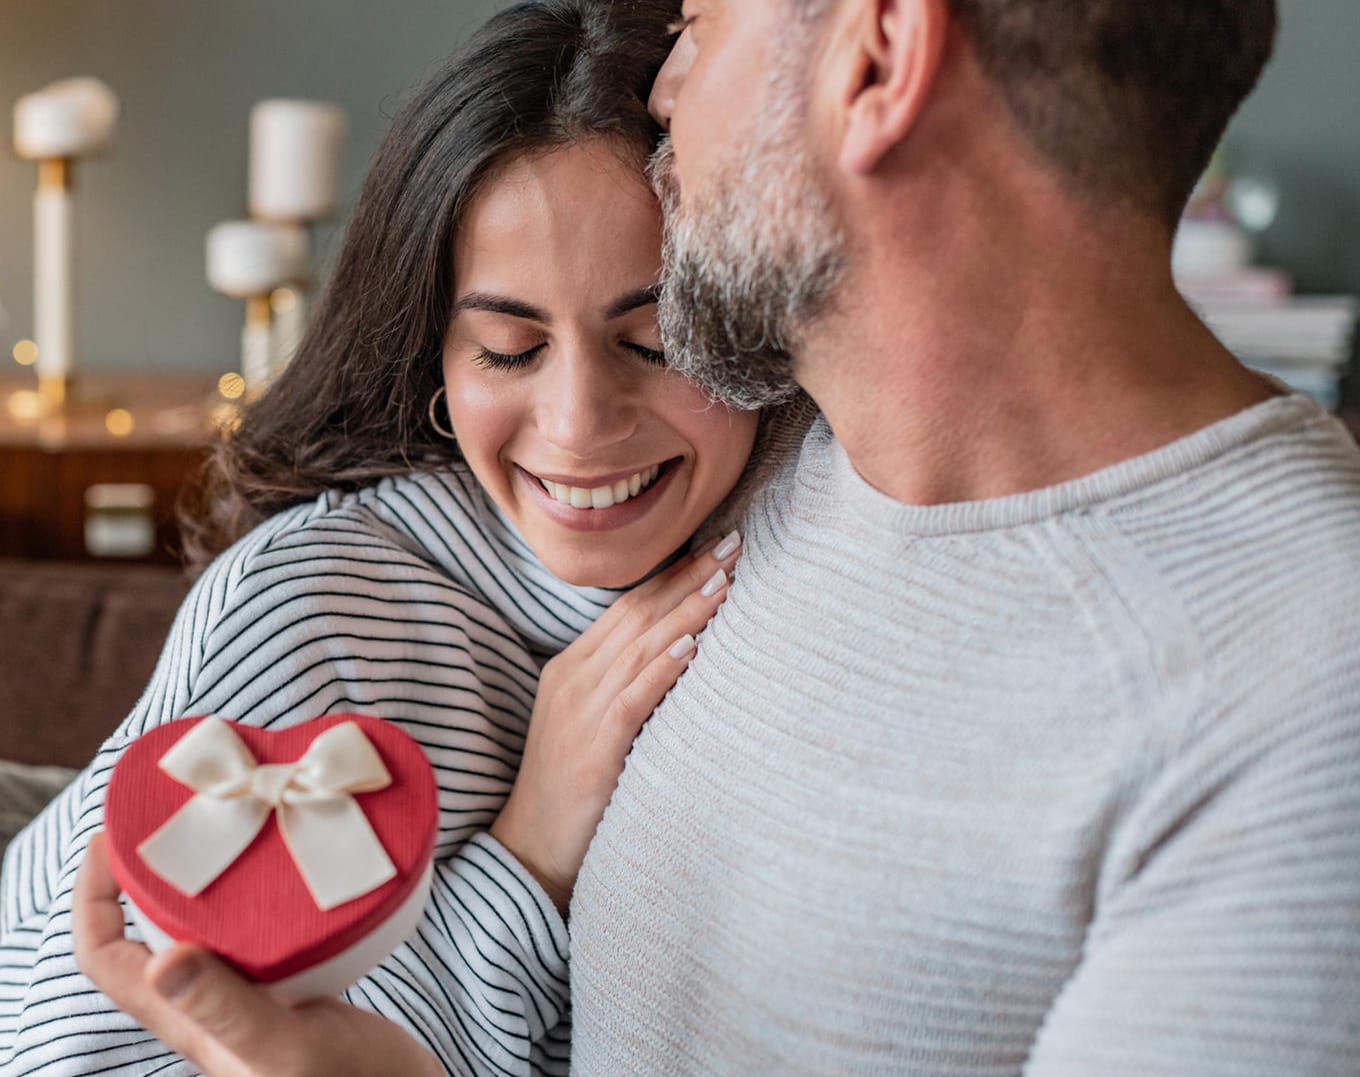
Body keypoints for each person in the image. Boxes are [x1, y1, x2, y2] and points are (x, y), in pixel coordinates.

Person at [75, 0, 1360, 1073]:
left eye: (703, 19)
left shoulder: (1298, 716)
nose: (670, 83)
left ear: (880, 57)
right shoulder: (770, 466)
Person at [0, 2, 768, 1074]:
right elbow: (70, 1052)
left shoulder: (791, 534)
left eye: (654, 340)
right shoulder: (315, 613)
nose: (576, 424)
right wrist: (529, 851)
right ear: (436, 364)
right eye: (509, 349)